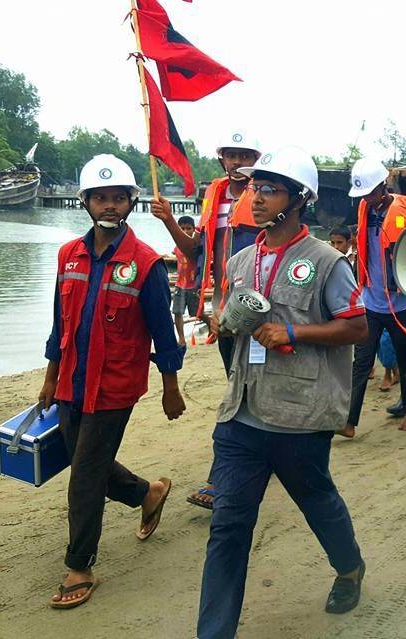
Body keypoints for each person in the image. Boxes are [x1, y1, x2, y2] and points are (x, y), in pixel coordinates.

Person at [197, 147, 367, 639]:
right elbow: (232, 317)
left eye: (270, 189)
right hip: (242, 414)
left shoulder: (327, 262)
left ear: (298, 200)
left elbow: (355, 327)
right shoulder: (242, 259)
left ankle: (350, 567)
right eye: (255, 188)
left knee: (318, 502)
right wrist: (220, 323)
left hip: (300, 416)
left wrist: (295, 334)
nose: (257, 197)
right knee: (228, 528)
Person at [39, 154, 186, 609]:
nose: (108, 206)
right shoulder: (69, 255)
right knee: (84, 459)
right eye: (99, 198)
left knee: (84, 477)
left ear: (130, 203)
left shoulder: (145, 264)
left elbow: (163, 330)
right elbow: (58, 324)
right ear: (85, 202)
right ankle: (148, 493)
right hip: (69, 382)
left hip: (115, 386)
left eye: (117, 198)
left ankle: (80, 565)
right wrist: (48, 379)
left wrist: (170, 386)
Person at [152, 130, 260, 511]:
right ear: (222, 161)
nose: (236, 162)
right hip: (225, 314)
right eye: (230, 155)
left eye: (244, 154)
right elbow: (195, 250)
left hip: (260, 312)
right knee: (242, 385)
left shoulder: (267, 197)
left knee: (238, 392)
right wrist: (168, 221)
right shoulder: (213, 196)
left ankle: (221, 479)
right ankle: (266, 454)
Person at [344, 158, 406, 436]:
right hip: (371, 300)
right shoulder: (364, 210)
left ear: (383, 187)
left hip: (402, 303)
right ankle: (349, 421)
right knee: (361, 361)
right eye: (363, 195)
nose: (367, 199)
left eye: (371, 193)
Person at [172, 215, 206, 347]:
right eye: (182, 229)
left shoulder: (196, 246)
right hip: (180, 285)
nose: (185, 231)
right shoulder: (177, 246)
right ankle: (181, 338)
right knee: (177, 312)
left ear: (193, 229)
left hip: (193, 285)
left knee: (198, 313)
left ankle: (211, 327)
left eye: (188, 228)